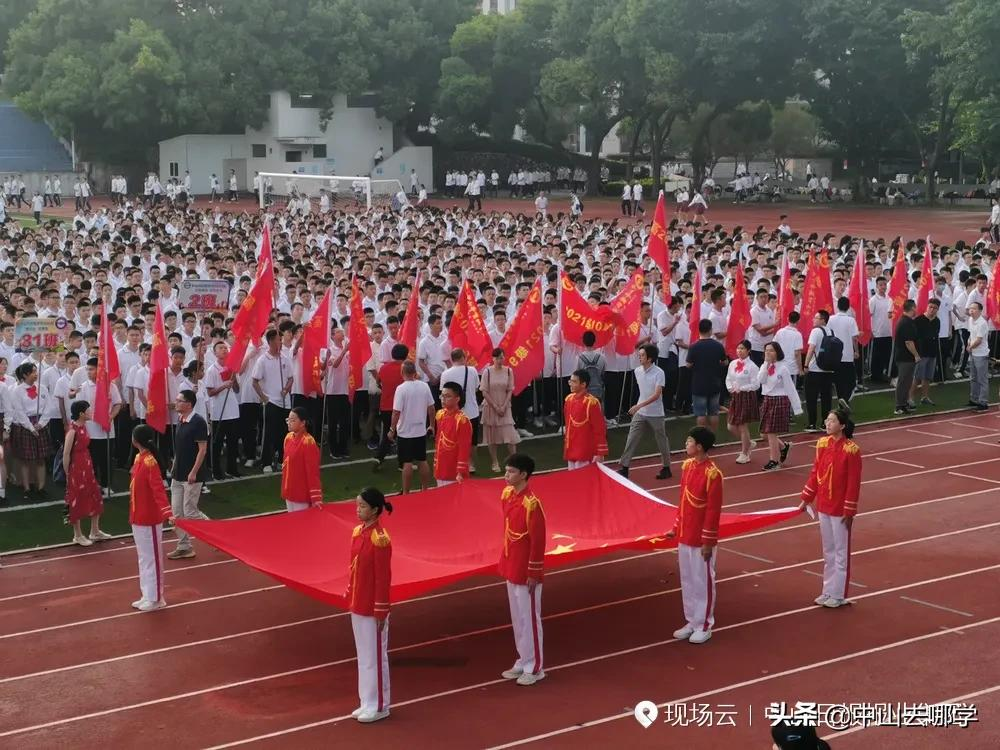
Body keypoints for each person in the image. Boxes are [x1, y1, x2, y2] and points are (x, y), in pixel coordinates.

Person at [799, 408, 862, 608]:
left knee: (841, 551)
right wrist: (806, 498)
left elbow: (853, 482)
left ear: (842, 425)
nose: (827, 423)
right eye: (827, 420)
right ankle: (827, 590)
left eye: (832, 421)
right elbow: (815, 472)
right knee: (828, 550)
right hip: (824, 505)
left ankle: (838, 593)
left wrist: (849, 510)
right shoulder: (822, 444)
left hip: (840, 508)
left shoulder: (851, 450)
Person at [667, 426, 723, 644]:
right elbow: (682, 500)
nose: (686, 444)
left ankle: (705, 623)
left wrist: (708, 541)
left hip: (701, 538)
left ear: (699, 446)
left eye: (689, 441)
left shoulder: (712, 474)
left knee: (703, 580)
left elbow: (712, 510)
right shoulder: (687, 467)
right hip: (685, 534)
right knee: (688, 579)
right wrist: (676, 526)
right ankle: (691, 620)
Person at [499, 453, 546, 686]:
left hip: (526, 569)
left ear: (524, 475)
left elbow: (538, 541)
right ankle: (523, 658)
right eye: (506, 471)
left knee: (530, 618)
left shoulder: (532, 504)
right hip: (511, 564)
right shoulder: (507, 495)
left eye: (511, 472)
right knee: (518, 617)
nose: (506, 475)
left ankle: (535, 666)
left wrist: (533, 572)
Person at [347, 486, 393, 724]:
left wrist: (381, 609)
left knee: (376, 655)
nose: (358, 510)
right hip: (358, 601)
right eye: (357, 505)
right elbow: (354, 568)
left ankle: (380, 705)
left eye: (362, 506)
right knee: (364, 656)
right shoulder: (358, 532)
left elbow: (383, 577)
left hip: (372, 606)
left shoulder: (380, 539)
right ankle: (366, 701)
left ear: (375, 510)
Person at [129, 424, 173, 612]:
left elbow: (158, 490)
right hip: (138, 516)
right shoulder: (139, 458)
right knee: (144, 558)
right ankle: (147, 594)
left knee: (152, 559)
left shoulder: (149, 462)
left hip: (149, 518)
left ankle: (156, 598)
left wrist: (167, 513)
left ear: (135, 440)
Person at [617, 344, 671, 480]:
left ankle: (666, 467)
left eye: (642, 355)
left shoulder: (659, 373)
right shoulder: (637, 371)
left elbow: (657, 394)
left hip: (656, 413)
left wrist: (638, 405)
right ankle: (624, 467)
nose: (639, 357)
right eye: (639, 354)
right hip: (641, 412)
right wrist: (639, 407)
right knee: (632, 438)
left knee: (661, 440)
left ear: (650, 358)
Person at [167, 389, 210, 559]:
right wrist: (175, 465)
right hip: (178, 474)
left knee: (190, 512)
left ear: (189, 404)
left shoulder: (198, 422)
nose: (176, 403)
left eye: (179, 400)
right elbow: (180, 447)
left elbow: (202, 450)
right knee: (177, 513)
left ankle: (216, 534)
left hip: (192, 475)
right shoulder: (181, 419)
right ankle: (184, 545)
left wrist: (193, 472)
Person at [63, 400, 109, 546]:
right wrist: (67, 473)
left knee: (95, 495)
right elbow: (66, 454)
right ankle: (77, 534)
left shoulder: (84, 426)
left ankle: (95, 531)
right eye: (88, 410)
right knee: (76, 499)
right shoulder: (72, 430)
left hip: (87, 465)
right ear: (81, 413)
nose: (90, 412)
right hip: (76, 468)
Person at [8, 362, 53, 501]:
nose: (36, 373)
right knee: (26, 459)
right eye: (33, 371)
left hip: (41, 425)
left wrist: (41, 423)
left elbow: (48, 407)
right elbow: (19, 412)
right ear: (25, 374)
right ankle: (27, 487)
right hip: (25, 426)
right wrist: (31, 427)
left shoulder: (43, 388)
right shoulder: (17, 390)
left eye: (36, 370)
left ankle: (41, 487)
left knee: (41, 459)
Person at [389, 360, 435, 493]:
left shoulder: (401, 389)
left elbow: (396, 412)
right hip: (420, 430)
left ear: (402, 372)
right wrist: (431, 425)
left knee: (407, 463)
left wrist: (391, 430)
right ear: (415, 372)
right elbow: (431, 408)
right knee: (422, 460)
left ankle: (406, 492)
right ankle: (425, 489)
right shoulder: (424, 386)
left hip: (405, 432)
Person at [758, 341, 801, 471]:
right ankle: (783, 447)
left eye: (771, 350)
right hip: (767, 399)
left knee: (771, 433)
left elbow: (790, 388)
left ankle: (774, 461)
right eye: (766, 350)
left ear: (777, 352)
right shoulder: (764, 366)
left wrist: (796, 407)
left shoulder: (783, 368)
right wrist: (766, 364)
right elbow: (761, 380)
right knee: (763, 434)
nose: (768, 353)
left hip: (779, 400)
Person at [440, 349, 481, 472]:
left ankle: (457, 462)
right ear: (464, 357)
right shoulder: (472, 371)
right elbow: (476, 388)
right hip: (472, 411)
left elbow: (443, 393)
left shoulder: (446, 374)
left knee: (455, 440)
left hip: (454, 413)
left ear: (452, 359)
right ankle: (471, 463)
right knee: (472, 440)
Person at [480, 348, 520, 473]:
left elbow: (510, 389)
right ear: (493, 358)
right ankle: (494, 461)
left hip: (505, 406)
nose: (500, 360)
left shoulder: (508, 371)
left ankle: (514, 461)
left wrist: (504, 405)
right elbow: (484, 391)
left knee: (510, 435)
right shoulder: (487, 372)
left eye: (502, 357)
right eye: (498, 358)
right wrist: (496, 407)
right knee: (492, 436)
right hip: (490, 407)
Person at [563, 369, 608, 469]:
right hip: (571, 450)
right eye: (570, 381)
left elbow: (599, 429)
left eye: (574, 382)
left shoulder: (591, 403)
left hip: (585, 452)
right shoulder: (568, 400)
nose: (570, 384)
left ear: (583, 384)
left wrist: (600, 453)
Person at [687, 319, 727, 430]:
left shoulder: (693, 346)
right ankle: (712, 438)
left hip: (699, 383)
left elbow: (688, 364)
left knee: (700, 413)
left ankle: (702, 438)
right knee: (714, 413)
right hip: (714, 382)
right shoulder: (718, 346)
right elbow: (724, 362)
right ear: (710, 330)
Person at [281, 406, 323, 511]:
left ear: (303, 423)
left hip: (301, 495)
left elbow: (312, 472)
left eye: (293, 420)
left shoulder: (308, 442)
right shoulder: (288, 438)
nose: (289, 423)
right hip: (289, 492)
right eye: (288, 420)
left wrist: (316, 497)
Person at [725, 340, 760, 464]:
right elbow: (728, 378)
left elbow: (756, 384)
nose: (739, 351)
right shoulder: (733, 363)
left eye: (742, 348)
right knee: (731, 426)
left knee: (742, 425)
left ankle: (745, 453)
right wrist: (730, 388)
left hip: (746, 396)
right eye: (738, 348)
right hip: (735, 396)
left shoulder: (752, 366)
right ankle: (748, 443)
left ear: (748, 351)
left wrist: (743, 388)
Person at [433, 381, 472, 486]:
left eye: (448, 396)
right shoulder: (440, 415)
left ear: (457, 399)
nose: (443, 399)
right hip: (441, 467)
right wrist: (436, 462)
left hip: (453, 470)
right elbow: (438, 441)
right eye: (442, 395)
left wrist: (460, 471)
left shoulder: (462, 420)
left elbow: (464, 447)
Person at [803, 310, 835, 431]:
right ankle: (825, 423)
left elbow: (811, 348)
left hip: (815, 370)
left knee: (811, 397)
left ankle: (812, 423)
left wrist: (806, 365)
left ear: (822, 320)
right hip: (828, 369)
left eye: (816, 318)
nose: (813, 319)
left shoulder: (816, 331)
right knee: (826, 398)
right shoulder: (831, 331)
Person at [911, 298, 940, 406]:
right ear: (927, 307)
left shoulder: (937, 321)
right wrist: (915, 354)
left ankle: (925, 397)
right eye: (930, 307)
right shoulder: (918, 320)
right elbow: (913, 338)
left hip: (932, 353)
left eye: (935, 308)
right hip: (921, 353)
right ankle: (910, 398)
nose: (932, 310)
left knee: (927, 377)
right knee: (917, 377)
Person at [893, 300, 919, 415]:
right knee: (903, 382)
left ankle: (903, 403)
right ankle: (899, 405)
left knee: (907, 381)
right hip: (905, 357)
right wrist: (916, 355)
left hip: (907, 357)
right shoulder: (905, 322)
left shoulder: (907, 321)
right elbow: (909, 342)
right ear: (912, 308)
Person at [966, 301, 989, 412]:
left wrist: (970, 347)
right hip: (973, 353)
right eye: (970, 308)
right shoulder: (971, 320)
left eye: (974, 308)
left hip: (981, 354)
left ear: (980, 310)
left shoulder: (982, 323)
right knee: (973, 377)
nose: (971, 310)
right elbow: (971, 335)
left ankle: (983, 402)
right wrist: (968, 343)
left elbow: (979, 340)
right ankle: (974, 399)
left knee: (982, 379)